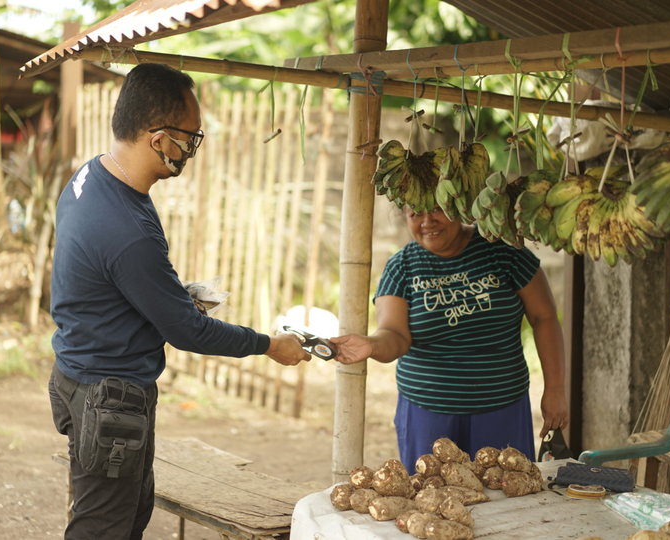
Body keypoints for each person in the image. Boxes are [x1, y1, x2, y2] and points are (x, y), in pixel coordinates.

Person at [47, 63, 309, 540]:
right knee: (103, 528)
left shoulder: (92, 176)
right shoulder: (126, 229)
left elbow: (104, 279)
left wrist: (173, 296)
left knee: (129, 512)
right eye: (189, 136)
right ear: (157, 136)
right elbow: (188, 332)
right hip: (108, 396)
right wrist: (271, 344)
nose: (191, 148)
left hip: (77, 374)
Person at [331, 205, 568, 473]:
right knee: (433, 500)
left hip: (502, 408)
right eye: (415, 214)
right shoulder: (402, 267)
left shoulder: (504, 251)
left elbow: (544, 318)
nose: (427, 222)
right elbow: (395, 336)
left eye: (437, 211)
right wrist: (372, 344)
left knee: (507, 493)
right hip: (428, 413)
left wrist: (556, 389)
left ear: (459, 207)